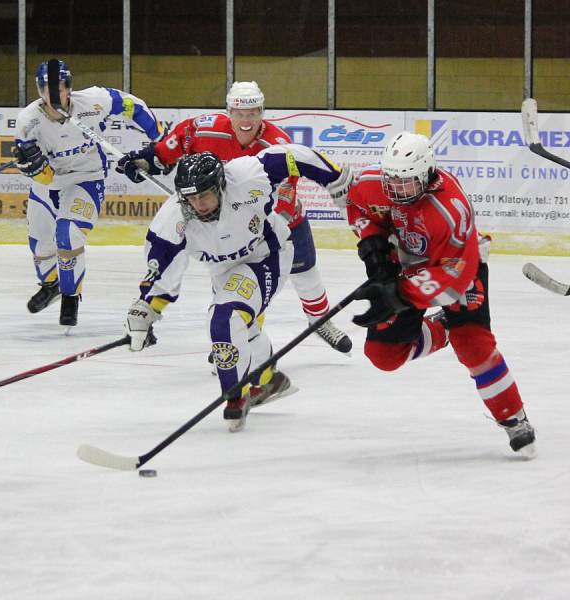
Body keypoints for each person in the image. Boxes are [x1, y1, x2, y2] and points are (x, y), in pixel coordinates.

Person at [124, 146, 351, 432]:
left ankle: (235, 397)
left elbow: (293, 157)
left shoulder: (246, 176)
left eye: (204, 195)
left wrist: (335, 178)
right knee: (243, 330)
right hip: (225, 272)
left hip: (268, 255)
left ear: (220, 185)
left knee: (224, 320)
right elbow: (162, 269)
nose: (199, 204)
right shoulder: (173, 219)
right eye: (191, 197)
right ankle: (268, 379)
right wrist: (146, 309)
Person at [116, 81, 353, 355]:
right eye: (239, 113)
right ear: (229, 111)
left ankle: (320, 321)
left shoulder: (276, 143)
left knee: (306, 275)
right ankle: (235, 335)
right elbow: (172, 145)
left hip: (273, 220)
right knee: (231, 284)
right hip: (224, 222)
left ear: (262, 112)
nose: (245, 119)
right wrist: (146, 161)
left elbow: (283, 198)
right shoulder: (205, 128)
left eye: (252, 112)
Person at [344, 131, 536, 456]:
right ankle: (442, 328)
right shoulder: (372, 182)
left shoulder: (450, 209)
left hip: (458, 266)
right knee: (383, 356)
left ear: (426, 175)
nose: (395, 189)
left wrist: (396, 294)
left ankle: (513, 416)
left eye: (404, 182)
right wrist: (375, 251)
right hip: (408, 268)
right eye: (391, 180)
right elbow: (360, 209)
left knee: (473, 345)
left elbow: (453, 277)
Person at [13, 58, 163, 327]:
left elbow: (132, 105)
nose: (53, 94)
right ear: (39, 90)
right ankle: (52, 285)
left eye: (58, 87)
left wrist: (158, 136)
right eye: (47, 88)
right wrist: (31, 165)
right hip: (47, 185)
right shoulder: (28, 121)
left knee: (67, 234)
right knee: (40, 245)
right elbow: (42, 174)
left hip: (86, 178)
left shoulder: (94, 102)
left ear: (68, 87)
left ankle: (71, 295)